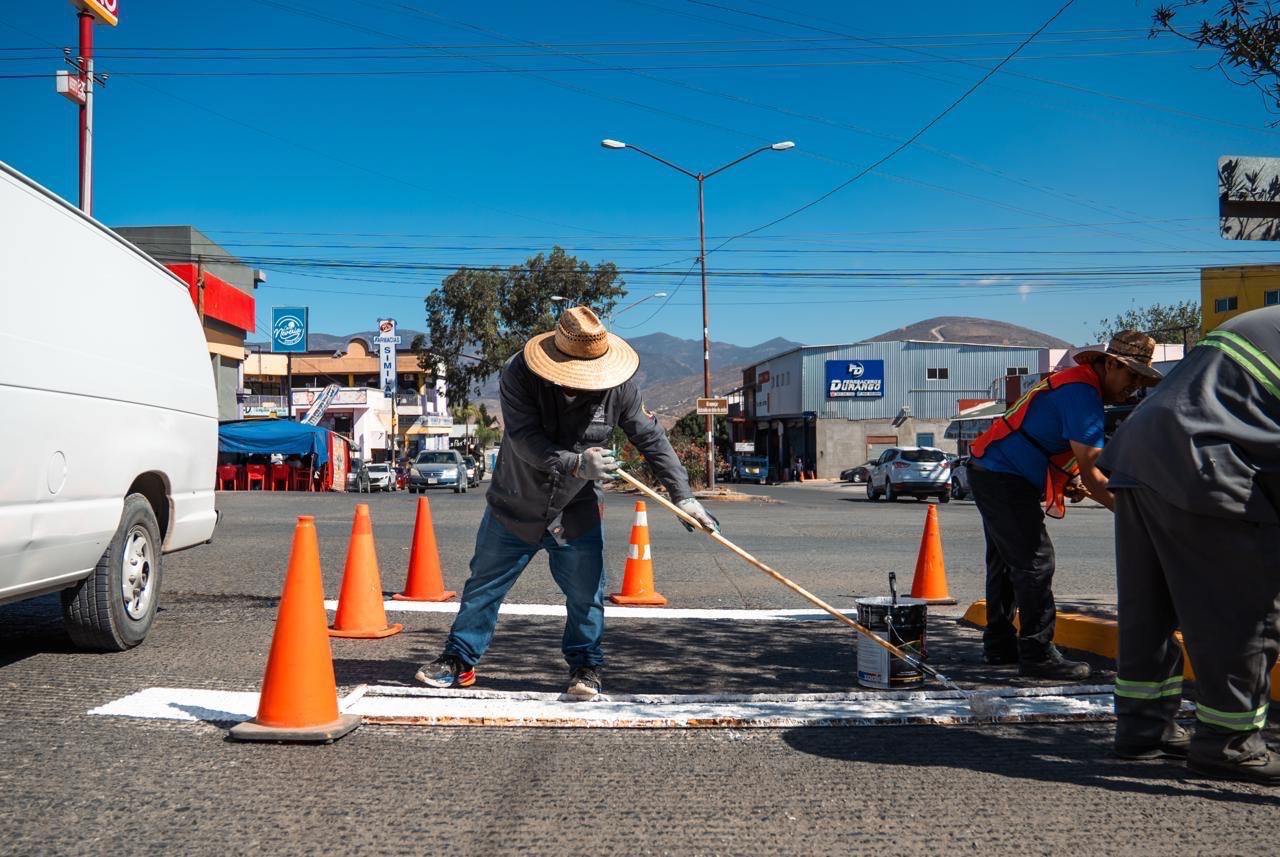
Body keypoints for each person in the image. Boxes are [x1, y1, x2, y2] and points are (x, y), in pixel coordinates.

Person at [414, 306, 719, 700]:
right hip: (516, 499)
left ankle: (586, 666)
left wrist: (685, 497)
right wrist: (577, 463)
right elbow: (524, 439)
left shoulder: (618, 386)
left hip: (576, 509)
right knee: (483, 586)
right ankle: (459, 660)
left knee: (586, 594)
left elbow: (652, 438)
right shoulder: (519, 373)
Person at [1100, 307, 1280, 784]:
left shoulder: (1265, 320)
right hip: (1206, 459)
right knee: (1241, 612)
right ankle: (1231, 744)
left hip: (1141, 453)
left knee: (1150, 608)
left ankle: (1144, 727)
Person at [966, 331, 1161, 680]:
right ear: (1111, 364)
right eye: (1132, 375)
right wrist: (1137, 515)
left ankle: (1000, 644)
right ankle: (1038, 654)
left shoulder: (1077, 385)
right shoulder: (1083, 394)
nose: (1135, 385)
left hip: (993, 468)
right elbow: (1096, 473)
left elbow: (1048, 439)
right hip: (1002, 474)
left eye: (1141, 378)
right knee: (1036, 562)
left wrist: (1067, 480)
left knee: (1008, 562)